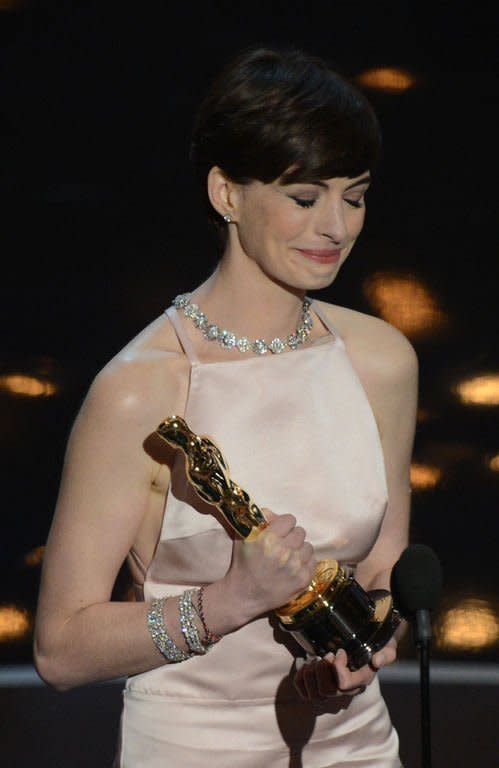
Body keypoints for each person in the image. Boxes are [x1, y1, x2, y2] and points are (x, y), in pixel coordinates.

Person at [34, 45, 418, 767]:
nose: (337, 225)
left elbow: (384, 561)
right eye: (306, 198)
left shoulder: (380, 361)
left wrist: (369, 643)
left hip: (357, 744)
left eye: (355, 195)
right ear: (226, 194)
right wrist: (229, 600)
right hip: (193, 746)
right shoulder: (142, 388)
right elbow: (61, 649)